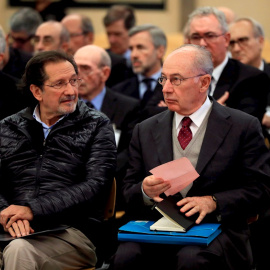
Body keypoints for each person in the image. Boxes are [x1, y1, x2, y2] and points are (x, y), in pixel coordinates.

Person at [110, 44, 270, 270]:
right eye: (163, 79)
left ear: (204, 83)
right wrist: (145, 191)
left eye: (176, 80)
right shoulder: (145, 129)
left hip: (218, 230)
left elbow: (261, 189)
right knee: (125, 256)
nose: (165, 89)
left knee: (191, 259)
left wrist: (213, 202)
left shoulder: (242, 126)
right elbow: (128, 192)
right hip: (159, 230)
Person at [0, 50, 117, 269]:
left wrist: (32, 209)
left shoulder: (97, 125)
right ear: (37, 91)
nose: (71, 90)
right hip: (12, 229)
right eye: (60, 84)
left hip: (73, 232)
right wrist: (6, 214)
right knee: (17, 246)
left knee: (20, 251)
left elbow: (96, 186)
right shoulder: (8, 128)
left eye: (74, 81)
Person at [74, 44, 140, 210]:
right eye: (75, 69)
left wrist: (94, 174)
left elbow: (130, 152)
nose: (78, 76)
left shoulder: (129, 107)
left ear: (105, 73)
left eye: (85, 69)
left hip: (111, 189)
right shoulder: (62, 106)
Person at [61, 13, 129, 87]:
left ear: (89, 37)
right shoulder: (57, 65)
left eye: (71, 36)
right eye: (62, 37)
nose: (64, 42)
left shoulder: (114, 64)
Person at [228, 17, 270, 134]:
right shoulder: (224, 80)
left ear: (260, 42)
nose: (236, 48)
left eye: (243, 40)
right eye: (232, 43)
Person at [111, 24, 166, 112]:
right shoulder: (118, 92)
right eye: (131, 49)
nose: (133, 55)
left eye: (140, 47)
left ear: (160, 51)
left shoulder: (175, 88)